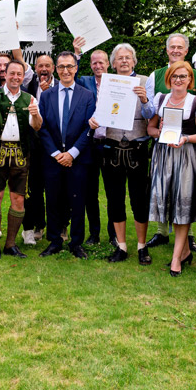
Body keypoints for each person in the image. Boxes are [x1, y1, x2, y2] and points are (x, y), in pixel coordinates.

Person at [0, 41, 43, 260]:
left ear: (23, 77)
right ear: (6, 74)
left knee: (19, 200)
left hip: (20, 155)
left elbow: (37, 126)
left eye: (19, 74)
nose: (15, 77)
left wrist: (36, 114)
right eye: (12, 73)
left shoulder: (30, 99)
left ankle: (10, 244)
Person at [147, 61, 196, 276]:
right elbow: (150, 128)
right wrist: (160, 132)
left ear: (190, 80)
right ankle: (185, 252)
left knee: (182, 207)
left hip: (186, 156)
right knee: (168, 204)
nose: (179, 80)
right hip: (163, 156)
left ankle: (176, 257)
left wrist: (185, 138)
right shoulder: (160, 99)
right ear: (169, 79)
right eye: (175, 76)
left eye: (183, 76)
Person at [97, 43, 153, 265]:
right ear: (113, 63)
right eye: (119, 58)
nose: (124, 61)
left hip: (137, 148)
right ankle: (121, 246)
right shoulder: (108, 82)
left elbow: (152, 113)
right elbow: (100, 113)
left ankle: (141, 246)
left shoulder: (145, 81)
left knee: (139, 199)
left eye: (128, 57)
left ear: (134, 61)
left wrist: (144, 99)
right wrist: (95, 120)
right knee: (114, 199)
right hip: (112, 147)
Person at [38, 52, 96, 259]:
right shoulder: (46, 95)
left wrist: (71, 153)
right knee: (52, 200)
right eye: (61, 66)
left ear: (76, 68)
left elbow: (89, 128)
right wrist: (56, 154)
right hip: (53, 158)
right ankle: (54, 241)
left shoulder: (87, 95)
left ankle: (76, 243)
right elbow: (42, 127)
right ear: (56, 69)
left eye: (69, 66)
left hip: (78, 159)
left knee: (77, 201)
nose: (66, 70)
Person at [72, 42, 116, 246]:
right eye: (94, 63)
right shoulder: (84, 82)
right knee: (90, 192)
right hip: (90, 144)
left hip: (111, 143)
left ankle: (114, 234)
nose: (98, 66)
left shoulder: (116, 83)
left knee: (112, 191)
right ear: (90, 65)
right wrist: (77, 55)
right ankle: (94, 233)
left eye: (101, 62)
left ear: (108, 64)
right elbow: (72, 76)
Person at [22, 53, 55, 245]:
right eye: (40, 65)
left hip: (55, 144)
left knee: (55, 187)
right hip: (34, 145)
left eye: (47, 65)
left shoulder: (61, 85)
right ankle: (38, 225)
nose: (44, 69)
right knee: (34, 188)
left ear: (53, 68)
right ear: (35, 68)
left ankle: (59, 226)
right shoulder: (29, 86)